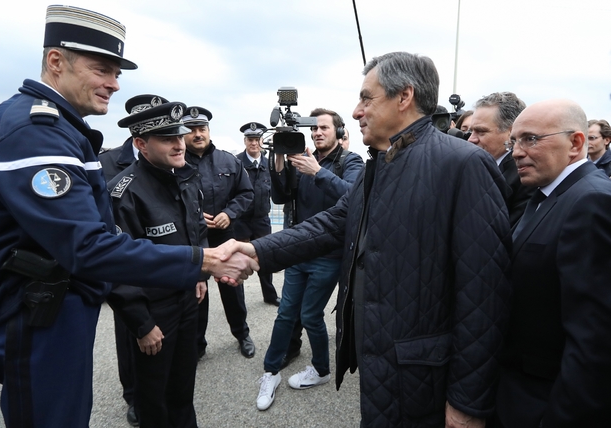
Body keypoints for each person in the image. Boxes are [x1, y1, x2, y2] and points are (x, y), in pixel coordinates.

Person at [0, 6, 256, 427]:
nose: (114, 83)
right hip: (37, 318)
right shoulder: (35, 133)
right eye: (102, 69)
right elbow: (89, 245)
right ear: (56, 61)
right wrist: (203, 262)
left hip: (58, 311)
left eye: (117, 72)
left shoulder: (61, 130)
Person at [220, 51, 511, 427]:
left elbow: (484, 296)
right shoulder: (382, 163)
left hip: (423, 375)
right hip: (382, 364)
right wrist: (256, 251)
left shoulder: (463, 164)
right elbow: (332, 224)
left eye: (366, 98)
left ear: (404, 97)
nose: (356, 112)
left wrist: (468, 404)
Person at [495, 99, 611, 427]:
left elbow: (595, 343)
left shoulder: (592, 202)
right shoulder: (547, 195)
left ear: (575, 143)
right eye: (513, 141)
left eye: (531, 139)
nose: (517, 151)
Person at [255, 108, 364, 411]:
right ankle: (271, 371)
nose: (317, 133)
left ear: (339, 132)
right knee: (286, 313)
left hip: (328, 255)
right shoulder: (300, 158)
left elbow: (355, 198)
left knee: (311, 315)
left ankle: (321, 370)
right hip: (297, 251)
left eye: (324, 128)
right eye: (314, 129)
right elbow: (278, 198)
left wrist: (318, 171)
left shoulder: (350, 161)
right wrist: (278, 160)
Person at [107, 97, 206, 428]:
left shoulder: (184, 179)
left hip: (187, 300)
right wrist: (141, 323)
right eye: (168, 138)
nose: (180, 145)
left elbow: (195, 231)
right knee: (153, 398)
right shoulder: (124, 193)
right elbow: (116, 266)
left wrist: (199, 274)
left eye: (179, 135)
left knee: (183, 389)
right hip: (152, 310)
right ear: (141, 144)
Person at [100, 94, 168, 426]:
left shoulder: (169, 159)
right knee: (130, 335)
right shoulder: (108, 163)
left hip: (165, 275)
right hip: (128, 271)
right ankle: (132, 395)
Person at [182, 107, 256, 358]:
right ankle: (197, 344)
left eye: (201, 129)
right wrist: (192, 214)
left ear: (209, 131)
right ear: (183, 134)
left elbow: (246, 193)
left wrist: (230, 213)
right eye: (191, 130)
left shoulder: (229, 161)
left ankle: (242, 333)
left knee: (232, 287)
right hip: (192, 239)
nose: (197, 134)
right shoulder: (174, 161)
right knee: (197, 290)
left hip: (225, 237)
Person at [468, 92, 534, 226]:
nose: (471, 139)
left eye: (481, 132)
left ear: (511, 133)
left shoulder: (524, 176)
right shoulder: (471, 166)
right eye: (471, 132)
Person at [234, 122, 281, 306]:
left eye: (257, 139)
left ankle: (269, 295)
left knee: (265, 258)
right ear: (245, 141)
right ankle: (238, 302)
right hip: (241, 221)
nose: (254, 143)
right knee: (239, 262)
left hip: (262, 219)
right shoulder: (236, 163)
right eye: (250, 140)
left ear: (262, 141)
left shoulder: (269, 162)